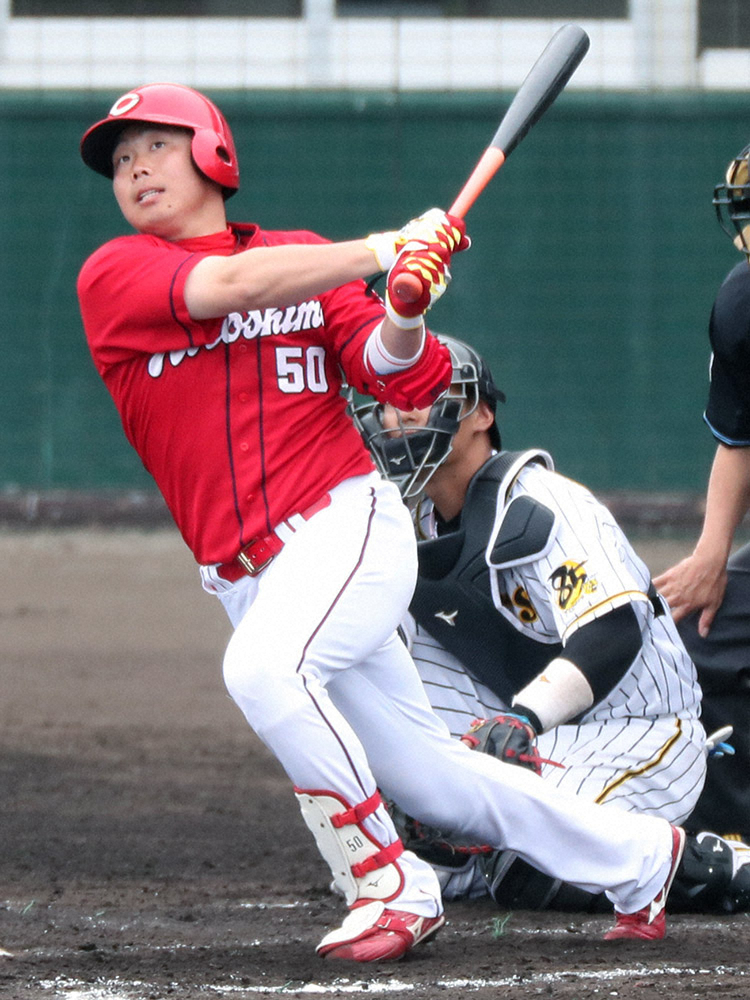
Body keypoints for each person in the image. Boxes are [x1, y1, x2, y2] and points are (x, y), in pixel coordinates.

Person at [77, 82, 688, 961]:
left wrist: (404, 306)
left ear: (212, 152)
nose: (136, 169)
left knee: (264, 672)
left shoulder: (305, 260)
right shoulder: (117, 273)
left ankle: (388, 881)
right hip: (250, 576)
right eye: (122, 160)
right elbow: (229, 285)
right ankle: (639, 856)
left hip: (343, 525)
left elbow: (400, 373)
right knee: (429, 778)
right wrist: (380, 248)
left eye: (155, 147)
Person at [350, 333, 750, 914]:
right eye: (390, 398)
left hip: (638, 734)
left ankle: (722, 861)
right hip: (536, 743)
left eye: (423, 392)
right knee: (408, 867)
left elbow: (613, 629)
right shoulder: (395, 531)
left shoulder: (539, 502)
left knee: (532, 859)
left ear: (482, 414)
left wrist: (523, 719)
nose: (400, 410)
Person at [654, 142, 750, 841]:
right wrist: (712, 554)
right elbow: (739, 438)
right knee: (692, 639)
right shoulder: (742, 303)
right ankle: (731, 839)